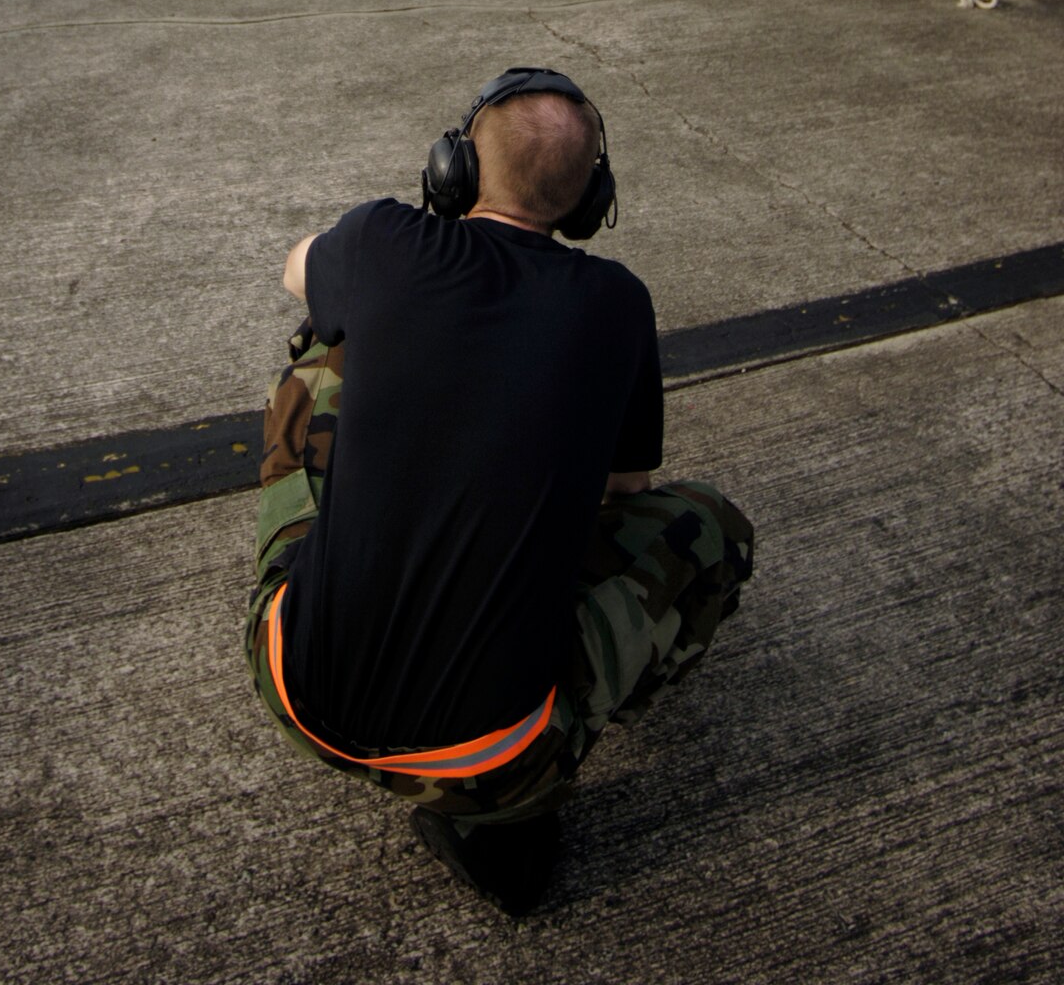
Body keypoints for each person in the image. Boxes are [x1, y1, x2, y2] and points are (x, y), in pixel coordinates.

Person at [245, 66, 754, 917]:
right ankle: (509, 804)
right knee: (712, 531)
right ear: (592, 199)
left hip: (294, 690)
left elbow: (295, 271)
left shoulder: (383, 240)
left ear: (457, 171)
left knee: (318, 357)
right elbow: (626, 487)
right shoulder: (617, 303)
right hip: (493, 762)